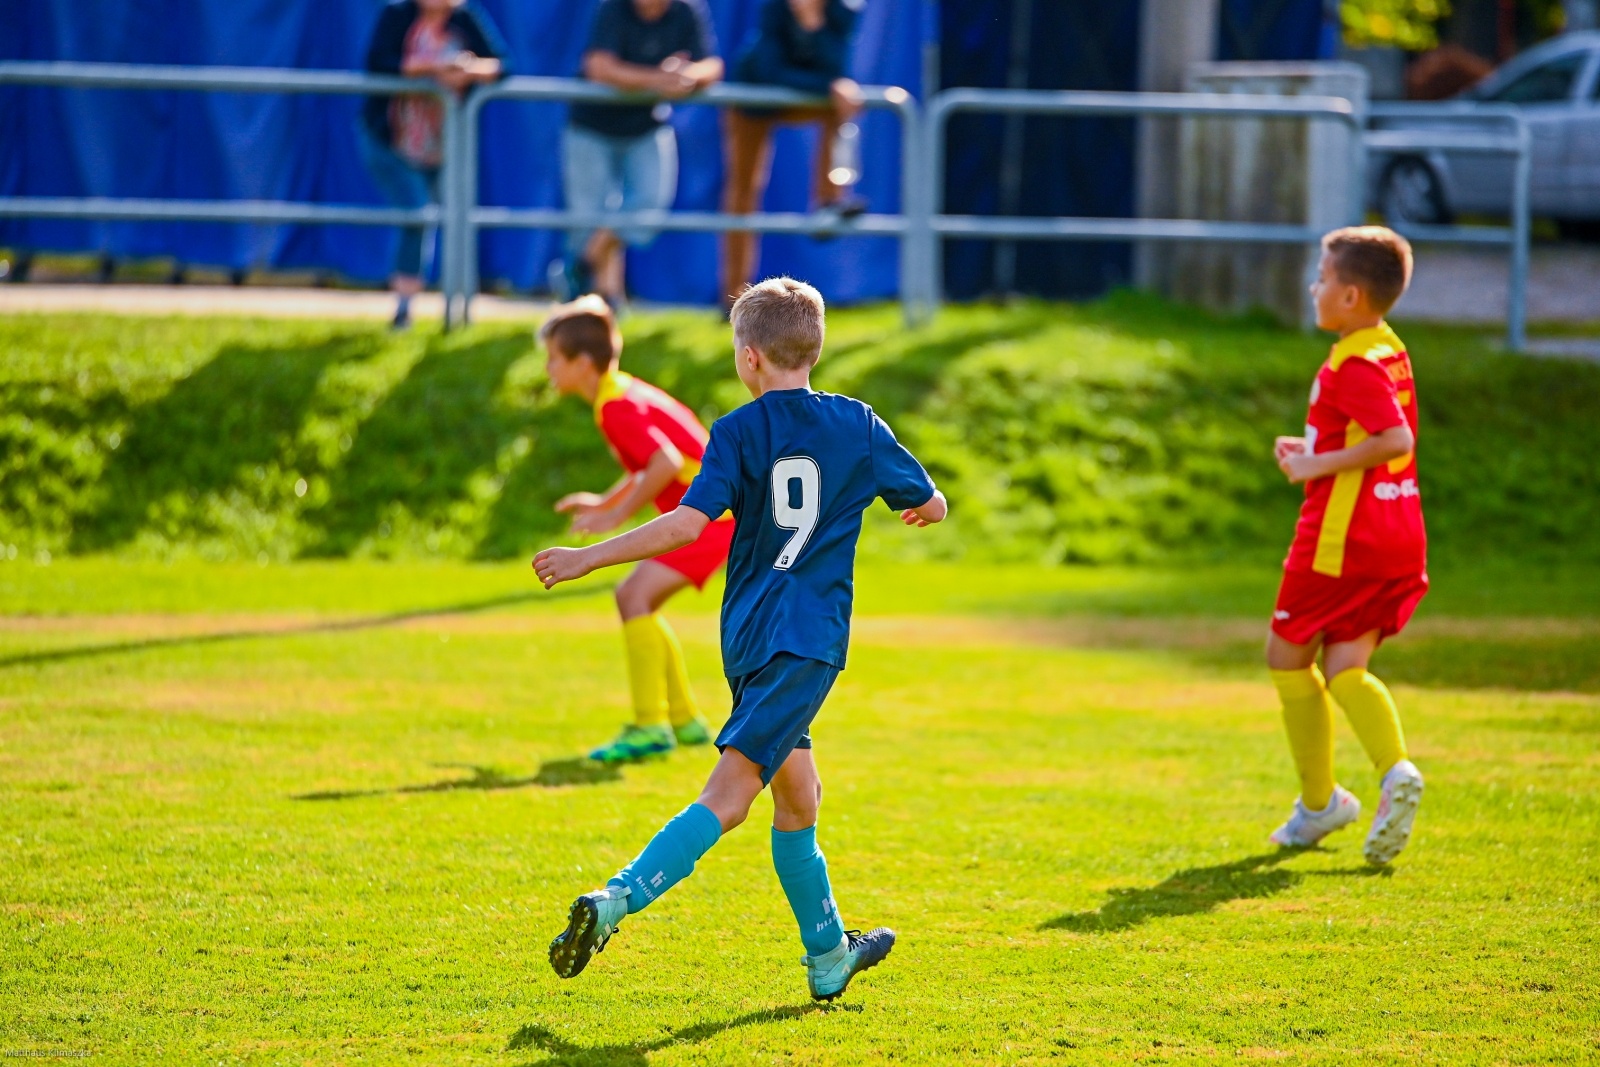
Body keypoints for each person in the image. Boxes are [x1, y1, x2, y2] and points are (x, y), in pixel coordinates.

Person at [533, 277, 947, 1000]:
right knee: (730, 794)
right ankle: (614, 900)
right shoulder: (857, 423)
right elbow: (931, 501)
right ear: (810, 348)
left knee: (800, 799)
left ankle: (827, 955)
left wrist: (589, 555)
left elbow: (687, 525)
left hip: (751, 636)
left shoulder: (736, 431)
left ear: (750, 357)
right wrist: (926, 507)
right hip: (808, 640)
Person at [1266, 226, 1427, 867]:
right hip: (1397, 535)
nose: (1316, 287)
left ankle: (1319, 803)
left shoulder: (1352, 361)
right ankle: (1395, 770)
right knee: (1344, 668)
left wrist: (1312, 469)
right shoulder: (1388, 347)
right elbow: (1374, 433)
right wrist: (1315, 451)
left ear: (1352, 295)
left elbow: (1393, 439)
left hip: (1339, 541)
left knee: (1285, 658)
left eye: (1325, 278)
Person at [538, 295, 730, 763]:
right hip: (717, 518)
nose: (548, 370)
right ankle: (682, 719)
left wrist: (615, 518)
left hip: (715, 522)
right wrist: (605, 501)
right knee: (638, 600)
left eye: (553, 359)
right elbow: (655, 462)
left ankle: (651, 726)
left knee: (632, 597)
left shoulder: (615, 408)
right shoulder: (621, 393)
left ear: (583, 363)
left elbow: (663, 461)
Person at [554, 0, 724, 308]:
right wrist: (659, 79)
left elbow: (712, 65)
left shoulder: (686, 10)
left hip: (647, 125)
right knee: (587, 216)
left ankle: (582, 264)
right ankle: (601, 301)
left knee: (648, 207)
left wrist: (687, 74)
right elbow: (598, 67)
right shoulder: (611, 8)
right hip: (591, 125)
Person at [361, 0, 507, 329]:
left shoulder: (466, 17)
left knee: (455, 217)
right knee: (417, 213)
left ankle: (458, 312)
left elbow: (502, 63)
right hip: (392, 138)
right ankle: (403, 308)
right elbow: (377, 62)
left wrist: (469, 69)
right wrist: (429, 68)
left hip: (447, 141)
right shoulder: (397, 15)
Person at [722, 0, 868, 310]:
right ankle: (733, 297)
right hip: (752, 103)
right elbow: (769, 72)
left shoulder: (843, 11)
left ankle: (828, 201)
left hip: (803, 96)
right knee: (743, 193)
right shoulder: (774, 8)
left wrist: (813, 24)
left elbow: (837, 66)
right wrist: (827, 85)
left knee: (838, 105)